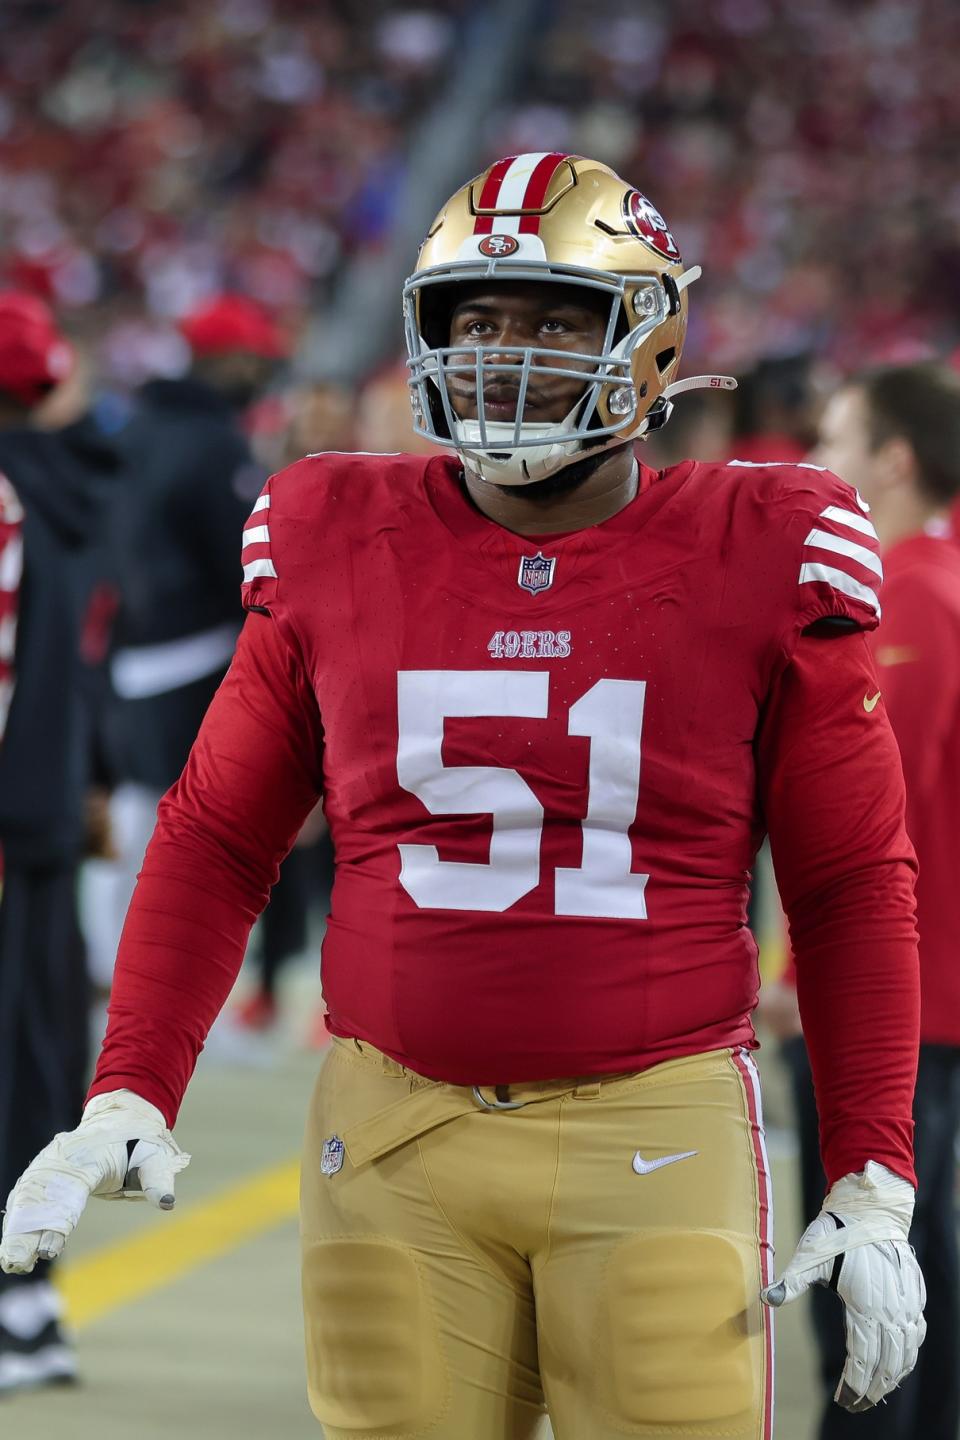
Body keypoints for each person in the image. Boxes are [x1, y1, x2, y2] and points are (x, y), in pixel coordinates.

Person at [1, 154, 926, 1438]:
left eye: (556, 318)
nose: (505, 354)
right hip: (393, 1132)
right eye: (475, 319)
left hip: (650, 1124)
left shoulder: (764, 540)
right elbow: (218, 835)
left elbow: (846, 883)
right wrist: (132, 1084)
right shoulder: (334, 522)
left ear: (651, 344)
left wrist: (872, 1166)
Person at [765, 361, 960, 1440]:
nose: (814, 463)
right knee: (925, 1271)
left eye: (833, 440)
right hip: (931, 999)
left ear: (891, 461)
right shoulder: (944, 584)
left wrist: (799, 979)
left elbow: (874, 828)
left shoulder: (902, 604)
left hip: (893, 1009)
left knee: (867, 1297)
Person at [88, 294, 286, 982]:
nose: (260, 368)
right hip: (197, 655)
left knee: (134, 822)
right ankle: (162, 984)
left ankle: (114, 973)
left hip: (124, 652)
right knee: (189, 837)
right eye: (251, 356)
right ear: (221, 358)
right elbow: (248, 562)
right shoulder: (215, 441)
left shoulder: (131, 429)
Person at [0, 293, 120, 1391]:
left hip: (13, 819)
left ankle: (19, 1312)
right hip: (48, 819)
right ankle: (30, 1302)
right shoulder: (79, 495)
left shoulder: (18, 497)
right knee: (40, 1064)